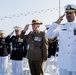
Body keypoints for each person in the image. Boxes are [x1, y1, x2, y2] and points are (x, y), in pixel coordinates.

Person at [46, 4, 76, 75]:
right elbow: (49, 35)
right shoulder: (61, 27)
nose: (68, 15)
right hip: (64, 63)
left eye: (71, 13)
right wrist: (56, 23)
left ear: (75, 14)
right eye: (67, 13)